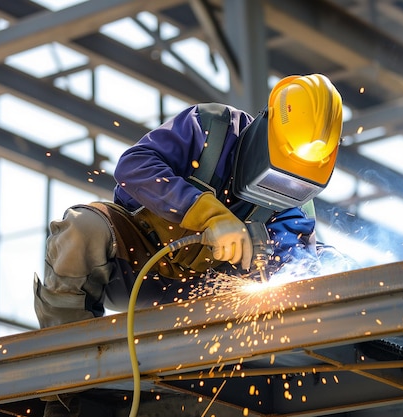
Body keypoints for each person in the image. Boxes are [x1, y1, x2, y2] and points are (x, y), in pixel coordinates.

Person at [34, 74, 344, 416]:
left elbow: (295, 267)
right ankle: (64, 387)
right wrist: (208, 214)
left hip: (210, 297)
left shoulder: (297, 205)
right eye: (278, 173)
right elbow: (133, 167)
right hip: (140, 268)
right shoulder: (211, 128)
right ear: (265, 131)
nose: (283, 188)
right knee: (82, 228)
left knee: (331, 264)